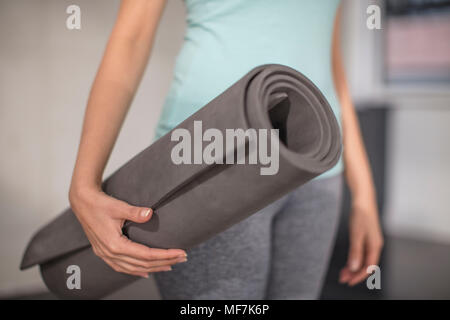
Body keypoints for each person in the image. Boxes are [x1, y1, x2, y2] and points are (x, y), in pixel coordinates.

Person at [68, 0, 383, 299]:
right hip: (209, 163)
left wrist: (365, 196)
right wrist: (84, 184)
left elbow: (328, 59)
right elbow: (131, 39)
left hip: (317, 172)